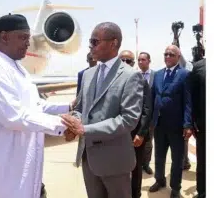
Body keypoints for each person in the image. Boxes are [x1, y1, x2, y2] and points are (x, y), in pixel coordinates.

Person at [0, 14, 74, 198]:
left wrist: (68, 107)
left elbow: (36, 106)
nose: (28, 43)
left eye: (28, 38)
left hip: (17, 167)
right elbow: (13, 115)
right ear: (4, 37)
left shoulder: (18, 68)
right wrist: (64, 125)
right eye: (23, 37)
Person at [61, 22, 145, 198]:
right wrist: (73, 122)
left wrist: (85, 129)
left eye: (95, 41)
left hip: (114, 161)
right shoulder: (88, 74)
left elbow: (128, 119)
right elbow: (81, 108)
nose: (90, 46)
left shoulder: (131, 76)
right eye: (90, 42)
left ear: (113, 43)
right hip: (88, 157)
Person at [149, 45, 193, 198]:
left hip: (176, 126)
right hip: (159, 124)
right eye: (166, 54)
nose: (168, 57)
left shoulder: (185, 74)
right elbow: (152, 97)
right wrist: (150, 120)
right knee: (159, 156)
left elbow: (188, 101)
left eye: (171, 54)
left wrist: (187, 124)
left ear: (178, 56)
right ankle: (160, 180)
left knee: (177, 159)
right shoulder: (158, 74)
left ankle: (175, 187)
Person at [119, 50, 152, 198]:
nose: (126, 63)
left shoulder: (141, 80)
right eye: (123, 60)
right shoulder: (113, 81)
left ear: (133, 64)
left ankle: (135, 194)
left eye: (129, 61)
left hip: (135, 135)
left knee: (136, 168)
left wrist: (141, 133)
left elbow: (146, 109)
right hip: (117, 134)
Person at [137, 51, 156, 175]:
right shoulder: (135, 75)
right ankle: (137, 163)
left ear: (149, 61)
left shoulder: (157, 75)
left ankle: (146, 164)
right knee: (137, 140)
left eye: (143, 59)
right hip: (137, 115)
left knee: (149, 143)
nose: (140, 62)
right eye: (139, 60)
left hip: (152, 116)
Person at [190, 56, 206, 198]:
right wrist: (192, 122)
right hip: (204, 125)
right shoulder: (199, 67)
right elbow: (192, 97)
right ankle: (202, 191)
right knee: (202, 160)